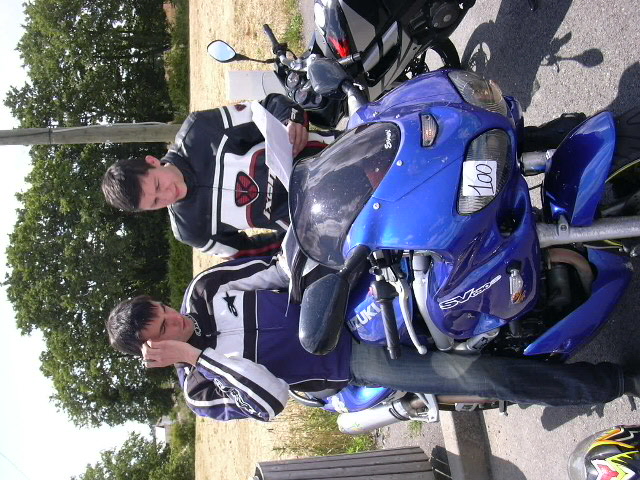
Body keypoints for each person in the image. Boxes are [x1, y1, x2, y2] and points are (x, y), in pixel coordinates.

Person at [106, 256, 640, 422]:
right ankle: (613, 381)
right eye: (162, 329)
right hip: (352, 360)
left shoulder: (205, 289)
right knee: (478, 376)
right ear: (153, 353)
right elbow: (270, 400)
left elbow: (278, 269)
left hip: (343, 297)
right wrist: (197, 356)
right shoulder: (200, 392)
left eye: (163, 311)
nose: (174, 319)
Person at [101, 93, 335, 258]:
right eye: (155, 202)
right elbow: (247, 252)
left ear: (152, 162)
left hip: (333, 157)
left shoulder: (198, 130)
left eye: (158, 185)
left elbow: (271, 105)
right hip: (327, 219)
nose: (168, 195)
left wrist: (292, 120)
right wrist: (299, 239)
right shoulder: (188, 230)